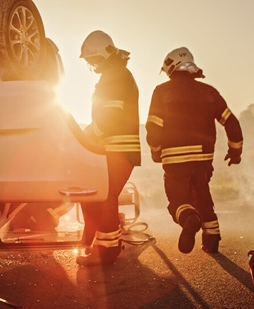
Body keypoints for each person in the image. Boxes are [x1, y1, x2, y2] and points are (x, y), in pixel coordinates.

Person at [146, 47, 243, 254]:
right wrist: (235, 152)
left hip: (173, 159)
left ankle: (189, 219)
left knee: (178, 201)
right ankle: (211, 239)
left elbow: (153, 127)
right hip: (203, 158)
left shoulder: (162, 92)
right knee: (203, 196)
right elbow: (231, 123)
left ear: (170, 68)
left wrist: (156, 151)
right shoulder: (209, 92)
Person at [76, 30, 141, 266]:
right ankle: (102, 243)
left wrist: (86, 135)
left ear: (105, 54)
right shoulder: (119, 73)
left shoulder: (114, 76)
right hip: (120, 148)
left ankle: (105, 252)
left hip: (118, 148)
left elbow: (110, 118)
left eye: (93, 59)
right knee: (102, 195)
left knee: (104, 195)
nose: (92, 65)